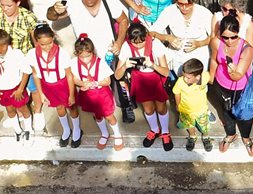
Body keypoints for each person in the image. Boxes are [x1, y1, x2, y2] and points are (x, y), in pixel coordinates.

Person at [46, 0, 131, 124]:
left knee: (119, 80)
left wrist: (119, 42)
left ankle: (126, 106)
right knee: (93, 86)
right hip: (87, 54)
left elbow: (124, 20)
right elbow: (51, 16)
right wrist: (55, 9)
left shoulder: (108, 0)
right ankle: (98, 110)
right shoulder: (73, 6)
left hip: (110, 51)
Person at [0, 0, 41, 130]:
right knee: (10, 87)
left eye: (8, 5)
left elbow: (35, 39)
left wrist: (37, 57)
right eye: (2, 5)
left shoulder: (27, 17)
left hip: (24, 56)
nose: (5, 8)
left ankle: (38, 112)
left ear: (18, 2)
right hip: (5, 59)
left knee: (31, 86)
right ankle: (18, 114)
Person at [117, 22, 173, 151]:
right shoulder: (127, 46)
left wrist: (152, 65)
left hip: (155, 79)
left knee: (161, 107)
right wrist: (125, 66)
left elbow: (165, 71)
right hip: (140, 81)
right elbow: (117, 75)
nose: (137, 45)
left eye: (140, 42)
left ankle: (165, 132)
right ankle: (154, 129)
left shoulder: (155, 44)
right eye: (134, 43)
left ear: (146, 36)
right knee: (148, 109)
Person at [208, 13, 253, 156]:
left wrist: (232, 69)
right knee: (226, 110)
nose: (229, 41)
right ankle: (231, 134)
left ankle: (246, 137)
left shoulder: (247, 49)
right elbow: (214, 60)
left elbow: (237, 76)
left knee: (245, 114)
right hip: (221, 83)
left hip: (240, 86)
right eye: (225, 37)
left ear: (238, 33)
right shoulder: (216, 42)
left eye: (233, 37)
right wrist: (211, 79)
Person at [28, 23, 80, 147]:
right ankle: (66, 129)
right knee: (59, 108)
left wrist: (71, 94)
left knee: (71, 107)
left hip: (63, 85)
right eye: (42, 44)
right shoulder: (32, 54)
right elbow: (35, 74)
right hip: (48, 86)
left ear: (53, 38)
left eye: (50, 43)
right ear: (36, 41)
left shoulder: (61, 53)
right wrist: (41, 93)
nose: (47, 47)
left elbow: (69, 75)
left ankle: (77, 129)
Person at [69, 35, 122, 150]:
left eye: (88, 56)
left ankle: (117, 135)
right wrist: (82, 84)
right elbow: (74, 78)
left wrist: (95, 83)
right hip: (88, 95)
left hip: (102, 94)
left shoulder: (100, 63)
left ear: (92, 52)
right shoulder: (73, 63)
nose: (85, 60)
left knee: (109, 116)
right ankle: (104, 133)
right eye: (82, 57)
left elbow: (107, 81)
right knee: (97, 116)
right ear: (77, 54)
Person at [147, 0, 213, 74]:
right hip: (178, 59)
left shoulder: (204, 13)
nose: (184, 8)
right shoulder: (170, 11)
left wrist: (199, 43)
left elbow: (214, 36)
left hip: (199, 60)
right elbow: (151, 32)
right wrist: (168, 38)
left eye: (188, 4)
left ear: (194, 0)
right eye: (180, 4)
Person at [173, 57, 212, 152]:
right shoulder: (180, 82)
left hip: (201, 110)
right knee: (189, 125)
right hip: (186, 110)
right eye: (184, 75)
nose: (184, 79)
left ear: (198, 77)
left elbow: (210, 79)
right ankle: (192, 136)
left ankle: (206, 137)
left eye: (188, 77)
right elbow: (176, 93)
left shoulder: (205, 77)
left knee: (204, 126)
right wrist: (178, 105)